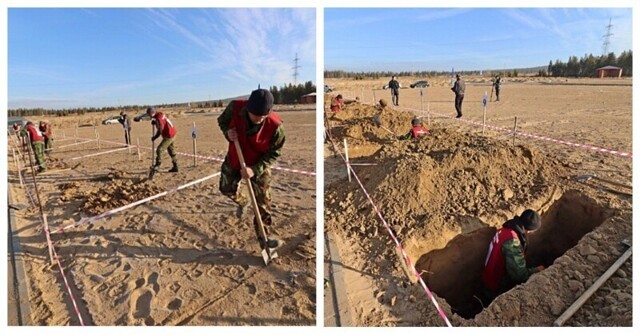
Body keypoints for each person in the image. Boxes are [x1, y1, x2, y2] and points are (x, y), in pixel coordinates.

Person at [217, 88, 286, 251]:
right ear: (248, 108)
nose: (259, 119)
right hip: (235, 157)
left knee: (263, 203)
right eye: (256, 115)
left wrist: (254, 169)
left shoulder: (276, 127)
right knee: (225, 188)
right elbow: (222, 121)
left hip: (258, 164)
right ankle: (243, 201)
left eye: (263, 116)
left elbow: (274, 153)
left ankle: (265, 238)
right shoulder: (234, 107)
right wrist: (228, 132)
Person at [478, 209, 544, 305]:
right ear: (529, 230)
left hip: (487, 275)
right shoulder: (512, 242)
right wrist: (537, 270)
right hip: (495, 285)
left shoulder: (506, 230)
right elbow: (519, 275)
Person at [147, 107, 179, 173]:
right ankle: (176, 166)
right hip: (172, 133)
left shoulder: (159, 118)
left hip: (169, 135)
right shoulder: (159, 115)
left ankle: (157, 165)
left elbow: (160, 130)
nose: (149, 116)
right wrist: (155, 122)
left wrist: (155, 137)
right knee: (171, 151)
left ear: (152, 113)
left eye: (149, 114)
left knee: (159, 149)